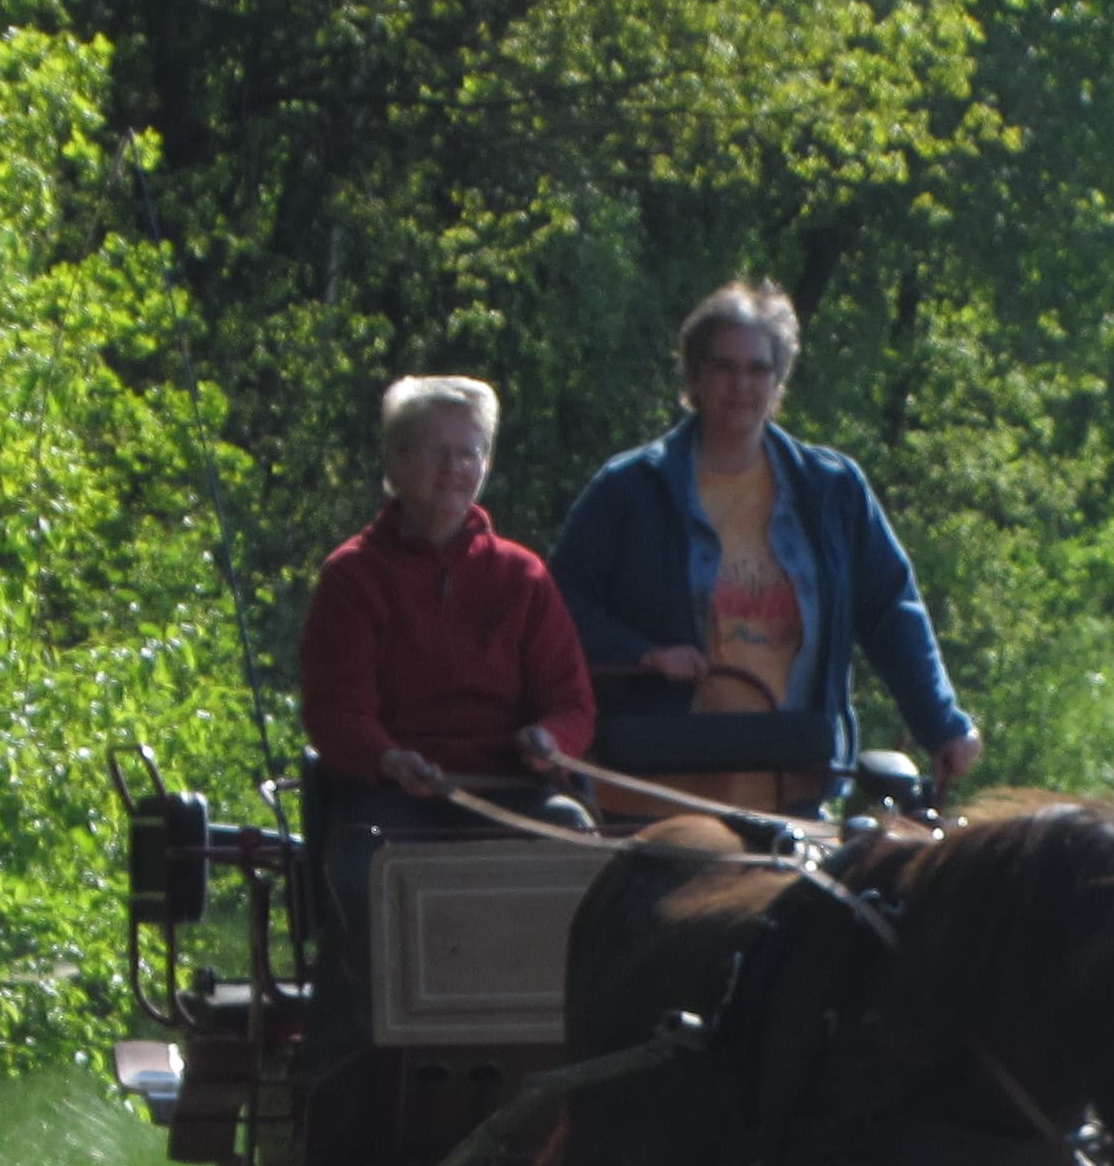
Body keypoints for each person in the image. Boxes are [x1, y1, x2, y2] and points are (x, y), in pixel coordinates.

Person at [549, 282, 981, 808]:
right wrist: (645, 654)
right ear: (694, 377)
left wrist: (942, 724)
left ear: (779, 380)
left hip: (788, 787)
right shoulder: (631, 489)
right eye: (724, 367)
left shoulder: (830, 490)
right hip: (651, 791)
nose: (741, 385)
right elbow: (557, 609)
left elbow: (891, 609)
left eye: (758, 369)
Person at [297, 374, 597, 801]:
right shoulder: (352, 577)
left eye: (468, 453)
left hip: (511, 790)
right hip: (388, 797)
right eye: (436, 453)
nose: (453, 468)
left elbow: (571, 703)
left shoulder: (523, 576)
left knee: (575, 836)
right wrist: (390, 760)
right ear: (394, 462)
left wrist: (549, 741)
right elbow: (338, 712)